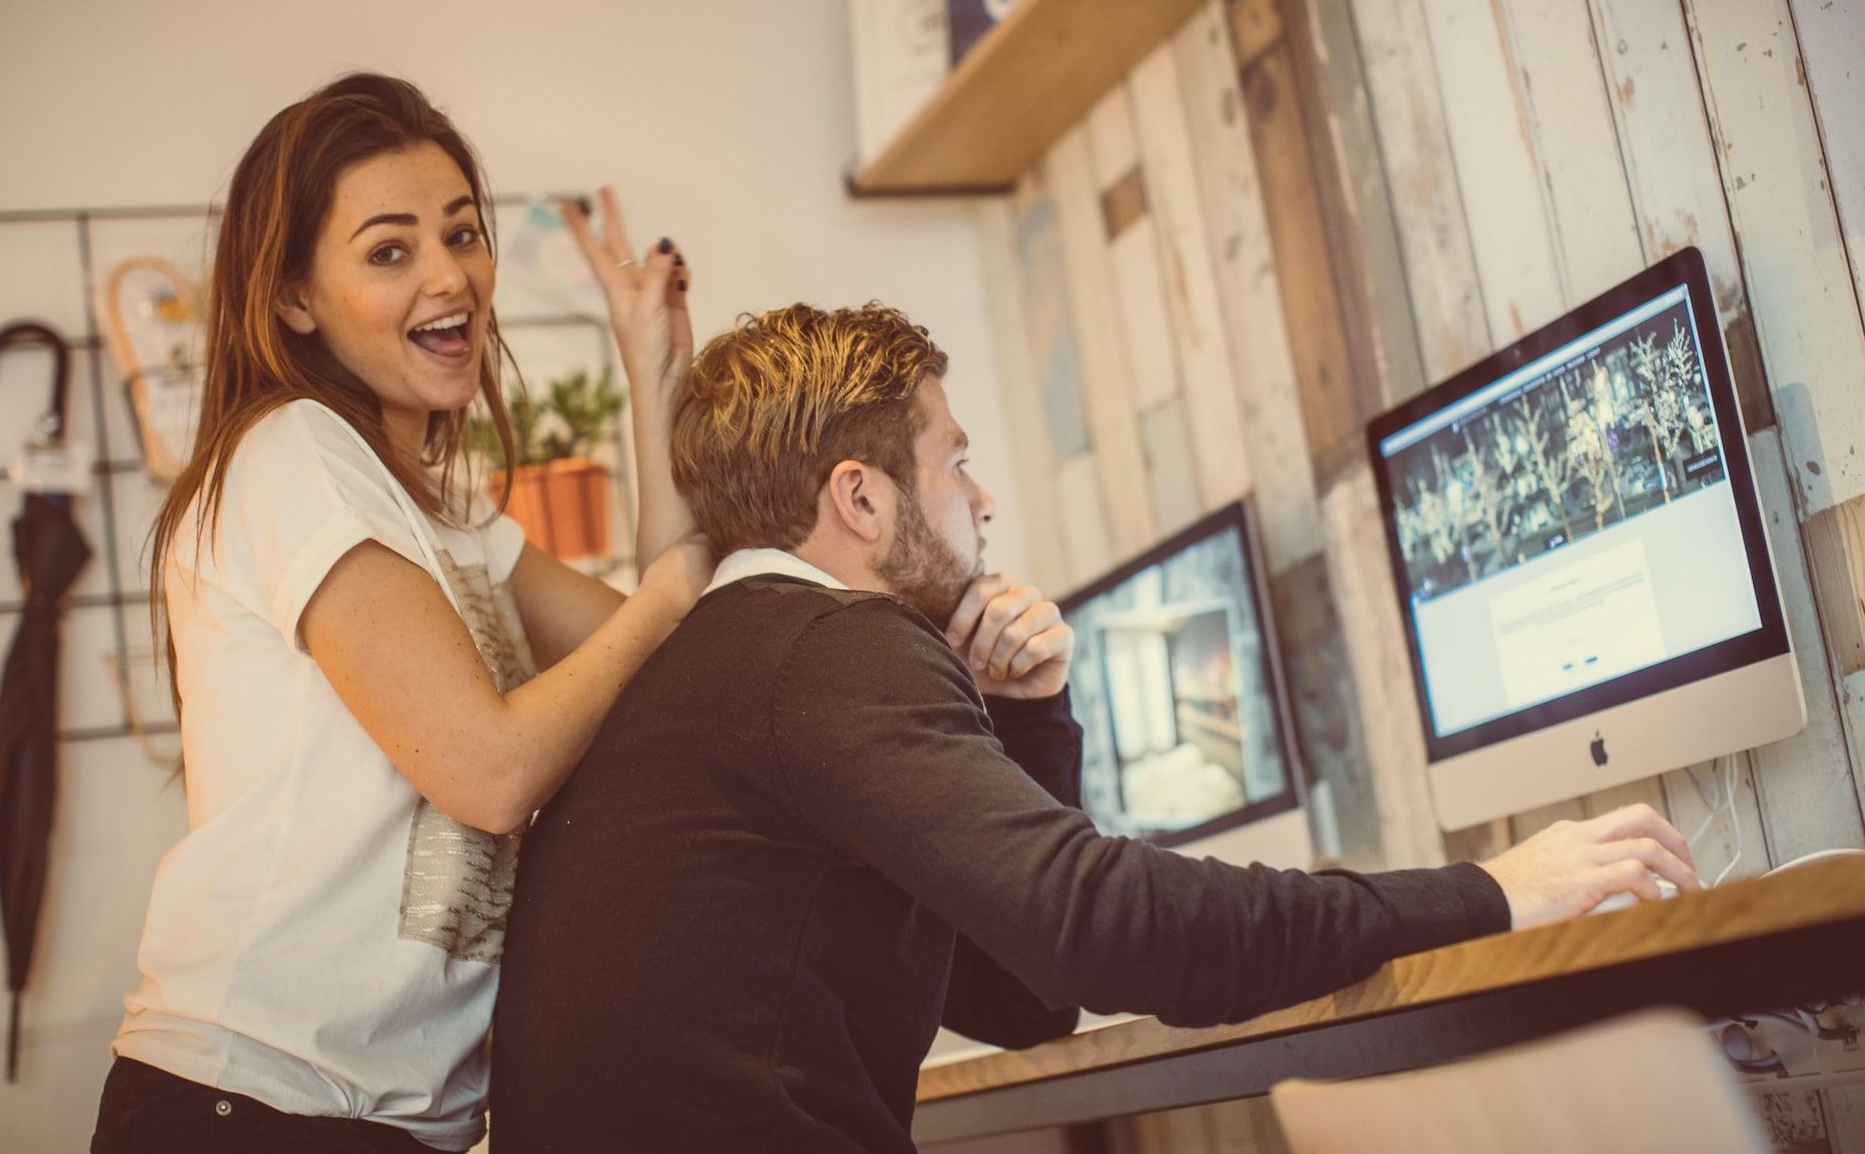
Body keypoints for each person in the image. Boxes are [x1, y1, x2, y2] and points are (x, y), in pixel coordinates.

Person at [487, 302, 1700, 1154]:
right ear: (858, 497)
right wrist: (1489, 890)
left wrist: (1028, 715)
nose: (982, 499)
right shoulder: (826, 646)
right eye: (953, 462)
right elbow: (1103, 933)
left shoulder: (734, 663)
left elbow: (1023, 996)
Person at [91, 73, 711, 1153]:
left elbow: (668, 657)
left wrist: (650, 366)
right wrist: (666, 595)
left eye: (461, 234)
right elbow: (488, 769)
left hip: (372, 1124)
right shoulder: (292, 451)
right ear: (294, 298)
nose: (450, 276)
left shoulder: (439, 510)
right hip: (254, 1109)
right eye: (388, 250)